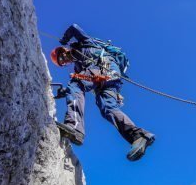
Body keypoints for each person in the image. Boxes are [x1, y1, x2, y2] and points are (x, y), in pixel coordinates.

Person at [50, 24, 155, 161]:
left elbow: (74, 28)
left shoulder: (84, 44)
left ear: (64, 51)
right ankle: (138, 136)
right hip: (110, 79)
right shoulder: (78, 67)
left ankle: (74, 127)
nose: (65, 61)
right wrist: (65, 92)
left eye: (62, 58)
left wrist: (64, 39)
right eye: (62, 63)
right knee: (107, 108)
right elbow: (79, 89)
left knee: (76, 83)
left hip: (104, 70)